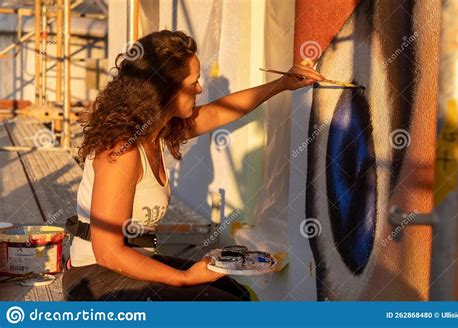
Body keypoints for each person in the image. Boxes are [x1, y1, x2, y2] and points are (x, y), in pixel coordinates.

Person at [62, 30, 325, 301]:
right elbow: (108, 252)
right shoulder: (122, 151)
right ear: (166, 89)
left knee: (235, 292)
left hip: (124, 269)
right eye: (194, 82)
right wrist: (184, 278)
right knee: (224, 305)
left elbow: (223, 109)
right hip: (92, 277)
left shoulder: (158, 131)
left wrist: (282, 84)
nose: (199, 89)